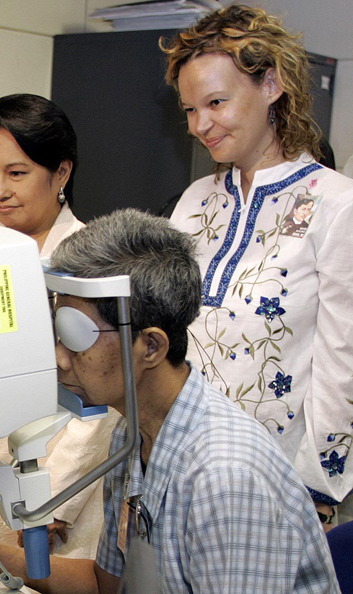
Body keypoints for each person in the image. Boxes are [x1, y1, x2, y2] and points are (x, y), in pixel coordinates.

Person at [0, 208, 339, 593]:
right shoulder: (132, 436)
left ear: (151, 346)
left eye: (76, 336)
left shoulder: (224, 478)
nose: (59, 357)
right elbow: (108, 585)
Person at [160, 4, 353, 526]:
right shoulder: (196, 200)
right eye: (189, 110)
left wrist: (316, 490)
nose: (201, 125)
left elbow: (343, 365)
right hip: (177, 468)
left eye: (216, 102)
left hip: (274, 486)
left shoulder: (337, 206)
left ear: (271, 85)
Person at [0, 93, 119, 559]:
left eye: (17, 173)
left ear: (62, 173)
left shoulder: (91, 266)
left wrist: (52, 502)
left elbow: (101, 405)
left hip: (52, 494)